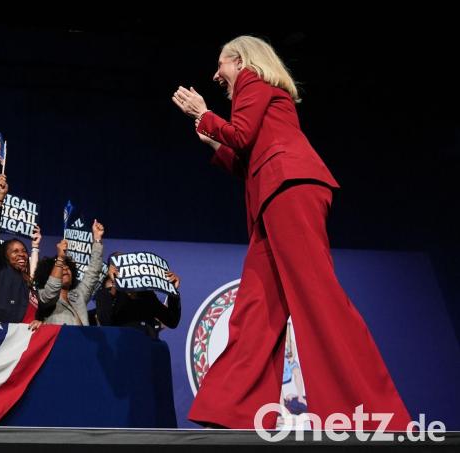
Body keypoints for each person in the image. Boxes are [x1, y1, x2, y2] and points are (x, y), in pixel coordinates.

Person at [172, 35, 410, 430]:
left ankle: (366, 410)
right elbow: (250, 157)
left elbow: (242, 135)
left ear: (242, 59)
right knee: (255, 307)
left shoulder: (253, 79)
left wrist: (204, 114)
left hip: (289, 189)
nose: (217, 75)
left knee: (317, 296)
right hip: (274, 196)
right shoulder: (261, 93)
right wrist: (214, 138)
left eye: (221, 65)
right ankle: (230, 409)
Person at [0, 174, 46, 329]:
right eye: (14, 251)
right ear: (4, 256)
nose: (21, 254)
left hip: (23, 340)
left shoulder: (31, 282)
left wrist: (40, 321)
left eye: (23, 250)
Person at [32, 220, 104, 326]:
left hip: (82, 342)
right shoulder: (43, 295)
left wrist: (97, 240)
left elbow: (93, 272)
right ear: (49, 275)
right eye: (61, 268)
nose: (65, 269)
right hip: (59, 342)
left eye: (67, 267)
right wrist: (60, 258)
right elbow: (51, 291)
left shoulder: (79, 295)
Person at [93, 257, 181, 339]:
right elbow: (105, 321)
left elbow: (171, 321)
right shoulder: (107, 293)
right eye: (118, 263)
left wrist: (172, 291)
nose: (122, 266)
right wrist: (114, 287)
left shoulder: (146, 294)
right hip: (120, 347)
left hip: (146, 347)